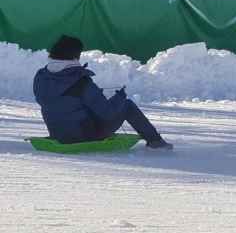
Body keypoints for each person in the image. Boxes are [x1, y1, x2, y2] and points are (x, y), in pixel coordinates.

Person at [32, 35, 173, 150]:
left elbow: (62, 102)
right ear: (75, 56)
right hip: (84, 135)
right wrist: (119, 97)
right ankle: (155, 142)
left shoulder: (41, 76)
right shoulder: (81, 81)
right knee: (127, 105)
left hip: (58, 133)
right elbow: (107, 113)